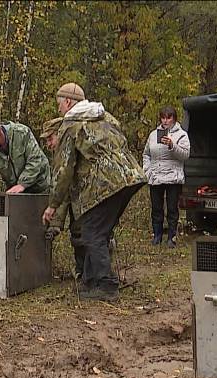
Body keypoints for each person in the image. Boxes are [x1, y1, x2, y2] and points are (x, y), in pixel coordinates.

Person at [42, 83, 147, 301]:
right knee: (99, 230)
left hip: (106, 183)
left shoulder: (71, 125)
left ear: (68, 102)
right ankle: (90, 281)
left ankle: (106, 285)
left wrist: (53, 204)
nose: (59, 109)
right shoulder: (106, 117)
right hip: (130, 176)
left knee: (91, 232)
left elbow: (64, 170)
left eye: (59, 104)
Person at [42, 117, 85, 277]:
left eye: (50, 138)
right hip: (78, 199)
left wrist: (54, 218)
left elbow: (63, 186)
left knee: (86, 235)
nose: (49, 144)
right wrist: (55, 224)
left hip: (87, 199)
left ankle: (93, 275)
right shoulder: (61, 154)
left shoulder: (70, 151)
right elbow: (63, 192)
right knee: (77, 233)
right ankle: (82, 272)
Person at [143, 106, 190, 247]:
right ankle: (157, 236)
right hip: (156, 176)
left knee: (172, 209)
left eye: (169, 117)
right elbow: (146, 154)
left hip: (173, 177)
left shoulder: (181, 134)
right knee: (156, 208)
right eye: (163, 117)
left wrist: (172, 145)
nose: (165, 120)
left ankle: (172, 237)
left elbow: (185, 155)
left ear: (174, 118)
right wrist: (147, 170)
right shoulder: (153, 134)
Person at [0, 116, 51, 193]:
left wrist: (22, 184)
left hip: (40, 185)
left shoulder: (21, 133)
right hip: (15, 190)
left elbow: (35, 159)